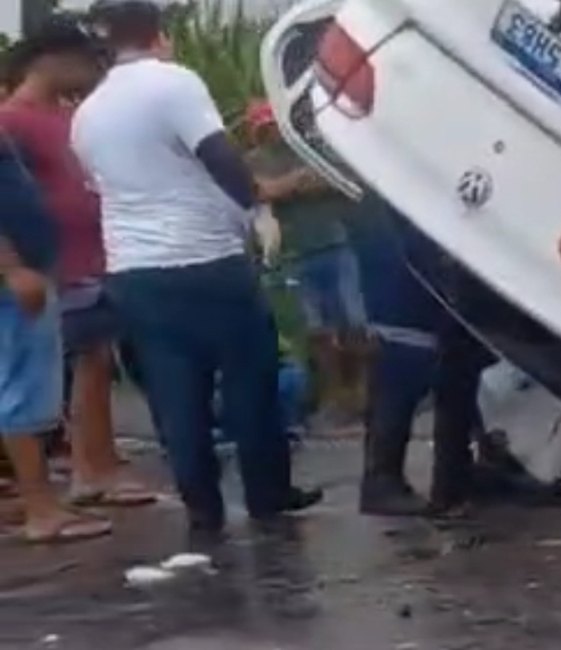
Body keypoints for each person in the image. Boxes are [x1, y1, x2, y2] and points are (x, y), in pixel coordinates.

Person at [72, 0, 321, 532]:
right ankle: (268, 496)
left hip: (135, 272)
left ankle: (203, 508)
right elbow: (218, 154)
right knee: (249, 378)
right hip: (205, 258)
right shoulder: (173, 83)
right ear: (159, 35)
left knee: (174, 390)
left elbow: (103, 188)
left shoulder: (87, 113)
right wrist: (257, 199)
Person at [0, 17, 155, 508]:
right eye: (86, 60)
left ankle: (99, 461)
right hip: (52, 261)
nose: (94, 71)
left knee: (97, 359)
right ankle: (87, 469)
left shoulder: (70, 116)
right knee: (78, 362)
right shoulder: (14, 119)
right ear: (50, 60)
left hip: (90, 252)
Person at [352, 200, 510, 517]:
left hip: (430, 234)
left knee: (458, 356)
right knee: (405, 355)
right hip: (404, 237)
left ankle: (458, 474)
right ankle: (383, 479)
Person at [0, 126, 111, 543]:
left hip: (26, 270)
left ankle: (40, 500)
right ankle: (41, 510)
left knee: (21, 389)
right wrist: (12, 267)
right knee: (19, 393)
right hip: (14, 278)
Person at [244, 100, 370, 434]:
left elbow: (337, 179)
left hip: (336, 242)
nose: (271, 133)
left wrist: (290, 185)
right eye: (263, 128)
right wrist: (297, 181)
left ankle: (362, 396)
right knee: (318, 331)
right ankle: (334, 400)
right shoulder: (255, 160)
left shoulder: (310, 146)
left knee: (355, 322)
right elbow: (260, 191)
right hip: (296, 254)